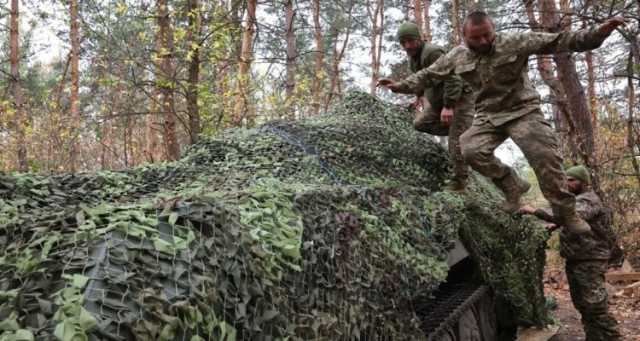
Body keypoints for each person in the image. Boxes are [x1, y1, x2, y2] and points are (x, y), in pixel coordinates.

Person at [378, 11, 625, 234]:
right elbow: (429, 74)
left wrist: (597, 34)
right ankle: (512, 184)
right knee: (469, 149)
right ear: (464, 37)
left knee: (545, 157)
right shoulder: (456, 56)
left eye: (488, 35)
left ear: (493, 30)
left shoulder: (514, 42)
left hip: (522, 111)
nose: (484, 42)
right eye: (476, 38)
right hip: (488, 114)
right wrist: (400, 86)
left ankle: (566, 213)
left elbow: (559, 41)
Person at [519, 165, 622, 340]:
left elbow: (572, 216)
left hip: (590, 259)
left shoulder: (589, 199)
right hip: (576, 258)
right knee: (582, 304)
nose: (567, 183)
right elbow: (571, 220)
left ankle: (612, 337)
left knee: (595, 306)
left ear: (583, 182)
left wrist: (535, 211)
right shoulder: (575, 199)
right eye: (566, 179)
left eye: (572, 180)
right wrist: (555, 225)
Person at [385, 22, 475, 191]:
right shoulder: (414, 57)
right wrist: (418, 96)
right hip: (438, 102)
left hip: (459, 100)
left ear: (419, 38)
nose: (407, 46)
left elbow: (452, 78)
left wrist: (449, 106)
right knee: (420, 124)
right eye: (403, 43)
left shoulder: (432, 52)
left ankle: (460, 183)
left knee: (456, 144)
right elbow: (423, 79)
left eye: (410, 40)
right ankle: (462, 131)